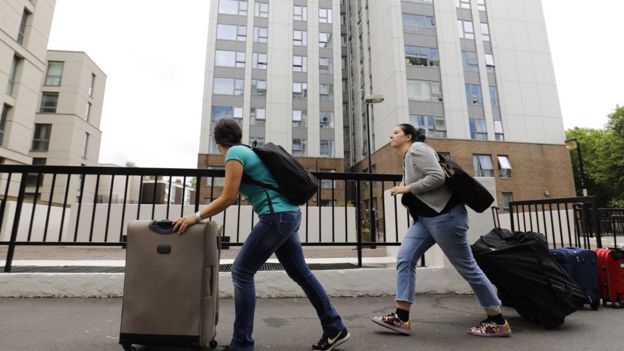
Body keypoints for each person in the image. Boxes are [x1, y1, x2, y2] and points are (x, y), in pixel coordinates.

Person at [172, 118, 350, 351]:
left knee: (241, 272)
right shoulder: (247, 150)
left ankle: (242, 344)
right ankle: (334, 327)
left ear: (217, 141)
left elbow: (227, 197)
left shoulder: (234, 154)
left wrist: (194, 217)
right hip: (289, 215)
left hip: (276, 217)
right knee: (301, 273)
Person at [370, 123, 511, 337]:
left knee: (467, 267)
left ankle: (497, 320)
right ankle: (401, 318)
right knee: (405, 259)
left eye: (396, 132)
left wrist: (406, 188)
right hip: (426, 220)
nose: (391, 135)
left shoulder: (418, 149)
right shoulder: (408, 156)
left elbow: (437, 177)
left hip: (445, 217)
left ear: (408, 136)